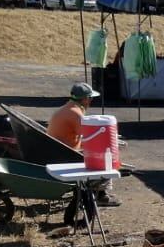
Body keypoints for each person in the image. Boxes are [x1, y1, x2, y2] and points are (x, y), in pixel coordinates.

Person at [47, 81, 118, 209]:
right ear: (85, 99)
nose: (91, 101)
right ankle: (101, 194)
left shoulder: (67, 108)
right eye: (90, 98)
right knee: (105, 158)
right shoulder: (76, 113)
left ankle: (99, 192)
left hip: (57, 150)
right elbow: (90, 138)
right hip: (66, 153)